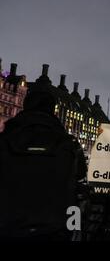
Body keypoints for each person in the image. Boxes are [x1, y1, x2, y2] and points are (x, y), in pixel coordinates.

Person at [0, 90, 87, 240]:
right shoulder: (69, 145)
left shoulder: (5, 140)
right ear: (52, 109)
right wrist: (75, 230)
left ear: (25, 105)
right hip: (55, 229)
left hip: (8, 227)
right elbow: (79, 188)